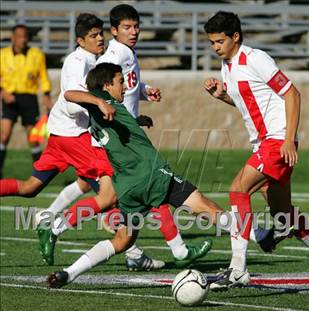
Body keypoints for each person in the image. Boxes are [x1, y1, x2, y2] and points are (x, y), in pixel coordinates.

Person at [42, 4, 213, 270]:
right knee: (149, 185)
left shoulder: (125, 52)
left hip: (125, 132)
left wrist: (143, 93)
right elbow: (99, 88)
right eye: (126, 27)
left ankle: (68, 232)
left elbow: (125, 87)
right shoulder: (111, 54)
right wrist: (103, 108)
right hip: (115, 139)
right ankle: (175, 249)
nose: (133, 32)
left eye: (136, 27)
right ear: (114, 31)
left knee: (117, 197)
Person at [46, 63, 226, 288]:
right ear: (107, 84)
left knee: (122, 241)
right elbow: (69, 94)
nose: (125, 86)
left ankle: (68, 273)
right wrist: (100, 100)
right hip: (150, 173)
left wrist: (134, 121)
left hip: (128, 186)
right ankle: (255, 235)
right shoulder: (102, 99)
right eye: (121, 81)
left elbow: (113, 123)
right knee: (204, 206)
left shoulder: (107, 108)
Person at [203, 11, 309, 289]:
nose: (215, 47)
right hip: (264, 142)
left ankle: (237, 268)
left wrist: (289, 140)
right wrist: (222, 95)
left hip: (277, 140)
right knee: (282, 211)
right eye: (212, 42)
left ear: (235, 37)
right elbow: (248, 103)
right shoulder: (227, 66)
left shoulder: (255, 59)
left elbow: (292, 93)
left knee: (238, 189)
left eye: (219, 41)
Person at [0, 24, 53, 178]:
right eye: (20, 37)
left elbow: (43, 76)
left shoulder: (36, 55)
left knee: (33, 138)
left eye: (25, 37)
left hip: (29, 99)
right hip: (9, 97)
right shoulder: (3, 55)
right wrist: (3, 92)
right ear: (13, 38)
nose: (23, 40)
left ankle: (40, 174)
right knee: (4, 135)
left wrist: (47, 95)